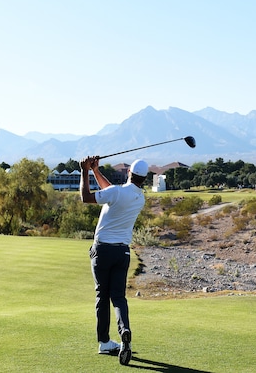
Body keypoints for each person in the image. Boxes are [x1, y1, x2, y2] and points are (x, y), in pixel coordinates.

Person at [79, 155, 148, 366]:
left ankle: (104, 342)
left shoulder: (117, 192)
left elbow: (86, 198)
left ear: (129, 172)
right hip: (123, 253)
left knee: (102, 295)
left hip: (103, 251)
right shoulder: (139, 197)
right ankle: (124, 330)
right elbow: (111, 191)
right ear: (143, 179)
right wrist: (96, 171)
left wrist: (84, 170)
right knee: (118, 297)